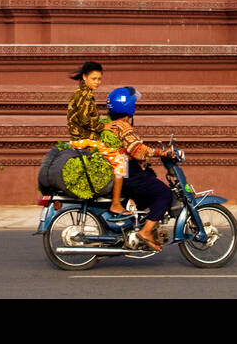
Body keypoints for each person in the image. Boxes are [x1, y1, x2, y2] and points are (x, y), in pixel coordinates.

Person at [104, 86, 172, 251]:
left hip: (120, 172)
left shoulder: (109, 126)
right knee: (164, 194)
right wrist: (161, 153)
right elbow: (137, 150)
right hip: (128, 173)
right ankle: (146, 231)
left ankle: (138, 228)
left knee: (149, 180)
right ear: (129, 107)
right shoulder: (123, 127)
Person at [65, 61, 128, 215]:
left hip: (83, 138)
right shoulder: (84, 96)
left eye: (99, 79)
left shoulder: (83, 93)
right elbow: (86, 120)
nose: (97, 82)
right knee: (120, 161)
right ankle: (115, 203)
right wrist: (103, 127)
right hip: (84, 140)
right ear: (85, 77)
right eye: (94, 78)